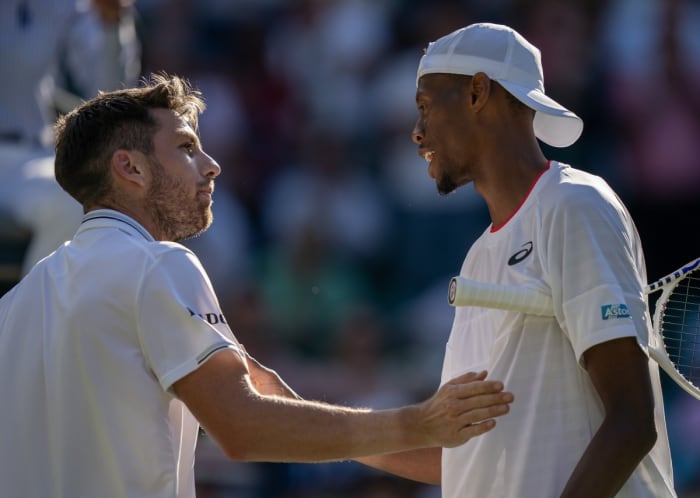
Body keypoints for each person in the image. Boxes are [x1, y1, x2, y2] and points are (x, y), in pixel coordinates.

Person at [0, 73, 513, 497]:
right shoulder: (159, 265)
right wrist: (418, 422)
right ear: (130, 167)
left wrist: (459, 471)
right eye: (186, 148)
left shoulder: (16, 304)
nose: (212, 165)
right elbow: (243, 427)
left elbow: (270, 403)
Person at [352, 23, 677, 497]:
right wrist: (302, 422)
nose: (416, 131)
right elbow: (464, 456)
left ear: (478, 92)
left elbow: (631, 421)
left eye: (425, 107)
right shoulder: (479, 257)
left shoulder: (575, 206)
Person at [0, 0, 140, 275]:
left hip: (27, 161)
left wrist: (111, 24)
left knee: (79, 199)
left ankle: (29, 314)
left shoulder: (60, 7)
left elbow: (110, 96)